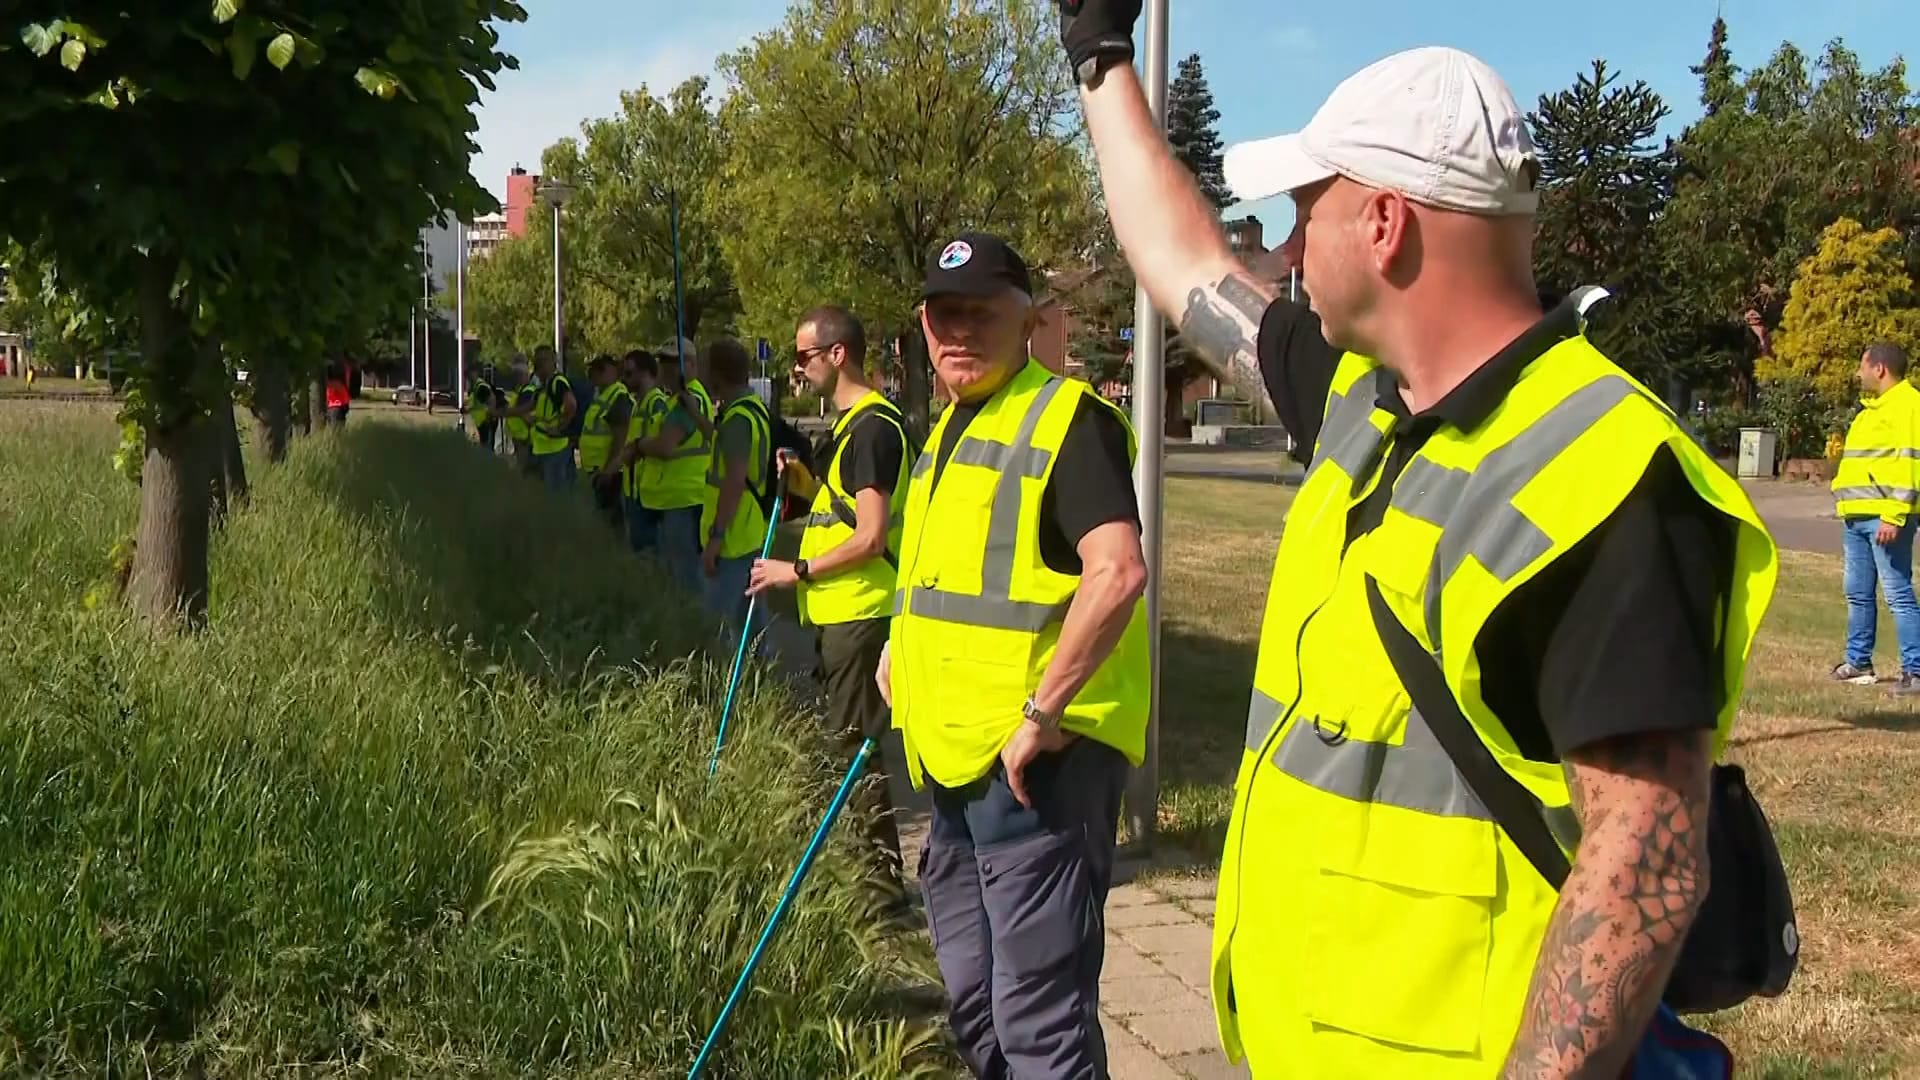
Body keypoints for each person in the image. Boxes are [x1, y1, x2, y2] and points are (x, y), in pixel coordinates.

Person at [1066, 19, 1779, 1077]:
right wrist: (1099, 55)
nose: (1288, 252)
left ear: (1385, 223)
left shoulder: (1606, 474)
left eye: (1306, 213)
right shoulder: (1364, 403)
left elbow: (1645, 872)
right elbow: (1186, 266)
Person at [878, 231, 1150, 1078]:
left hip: (1038, 774)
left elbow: (1117, 572)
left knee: (1039, 1024)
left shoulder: (1069, 422)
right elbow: (944, 575)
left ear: (1029, 319)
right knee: (973, 1006)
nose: (959, 331)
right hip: (954, 767)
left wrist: (1043, 712)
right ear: (922, 325)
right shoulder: (948, 430)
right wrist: (897, 647)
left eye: (982, 313)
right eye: (943, 315)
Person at [748, 306, 914, 908]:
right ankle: (869, 874)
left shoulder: (872, 430)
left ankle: (881, 890)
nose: (797, 368)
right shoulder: (849, 427)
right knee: (847, 745)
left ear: (838, 354)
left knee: (855, 749)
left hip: (860, 614)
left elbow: (870, 536)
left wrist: (795, 571)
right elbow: (834, 506)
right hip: (837, 613)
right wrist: (798, 479)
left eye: (804, 356)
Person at [1828, 341, 1920, 693]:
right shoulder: (1870, 410)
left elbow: (1910, 465)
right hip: (1856, 516)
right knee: (1857, 592)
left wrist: (1893, 516)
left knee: (1897, 593)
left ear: (1879, 368)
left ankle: (1915, 670)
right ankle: (1858, 662)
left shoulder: (1908, 405)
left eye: (1862, 365)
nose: (1858, 372)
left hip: (1884, 517)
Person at [699, 338, 775, 648]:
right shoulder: (752, 409)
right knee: (752, 622)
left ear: (718, 374)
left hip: (733, 538)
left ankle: (725, 674)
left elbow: (733, 481)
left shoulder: (737, 419)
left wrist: (716, 538)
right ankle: (760, 673)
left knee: (720, 624)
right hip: (750, 528)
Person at [629, 342, 714, 589]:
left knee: (685, 576)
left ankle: (692, 613)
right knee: (677, 571)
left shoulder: (688, 400)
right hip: (676, 498)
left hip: (684, 499)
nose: (665, 369)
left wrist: (640, 445)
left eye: (674, 363)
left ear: (691, 365)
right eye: (663, 362)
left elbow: (666, 446)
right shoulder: (677, 399)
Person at [502, 345, 576, 491]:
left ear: (553, 362)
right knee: (540, 490)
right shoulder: (542, 387)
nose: (539, 366)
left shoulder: (557, 382)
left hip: (554, 449)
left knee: (554, 493)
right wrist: (501, 412)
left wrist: (560, 427)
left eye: (543, 361)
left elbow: (571, 404)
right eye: (537, 362)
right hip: (541, 447)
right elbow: (527, 408)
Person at [578, 354, 633, 532]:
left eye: (597, 370)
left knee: (612, 520)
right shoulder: (602, 396)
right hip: (598, 470)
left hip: (610, 473)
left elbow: (620, 438)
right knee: (604, 518)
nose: (592, 375)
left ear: (610, 371)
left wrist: (609, 469)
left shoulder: (618, 397)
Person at [618, 350, 666, 552]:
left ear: (645, 372)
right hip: (634, 489)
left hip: (648, 493)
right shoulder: (638, 404)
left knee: (649, 553)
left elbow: (659, 443)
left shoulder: (656, 402)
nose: (625, 379)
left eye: (629, 373)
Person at [503, 354, 538, 476]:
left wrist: (508, 412)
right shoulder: (522, 390)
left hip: (524, 439)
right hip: (521, 438)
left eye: (518, 375)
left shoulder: (527, 391)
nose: (516, 378)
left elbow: (527, 416)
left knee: (524, 472)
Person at [467, 367, 497, 451]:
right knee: (482, 445)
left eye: (470, 374)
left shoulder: (481, 386)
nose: (469, 377)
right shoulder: (475, 386)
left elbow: (492, 401)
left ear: (475, 373)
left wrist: (489, 417)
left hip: (485, 421)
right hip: (481, 422)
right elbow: (475, 404)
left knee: (486, 447)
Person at [323, 361, 351, 426]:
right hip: (338, 407)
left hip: (330, 407)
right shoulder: (339, 385)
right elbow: (345, 398)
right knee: (338, 427)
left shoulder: (328, 384)